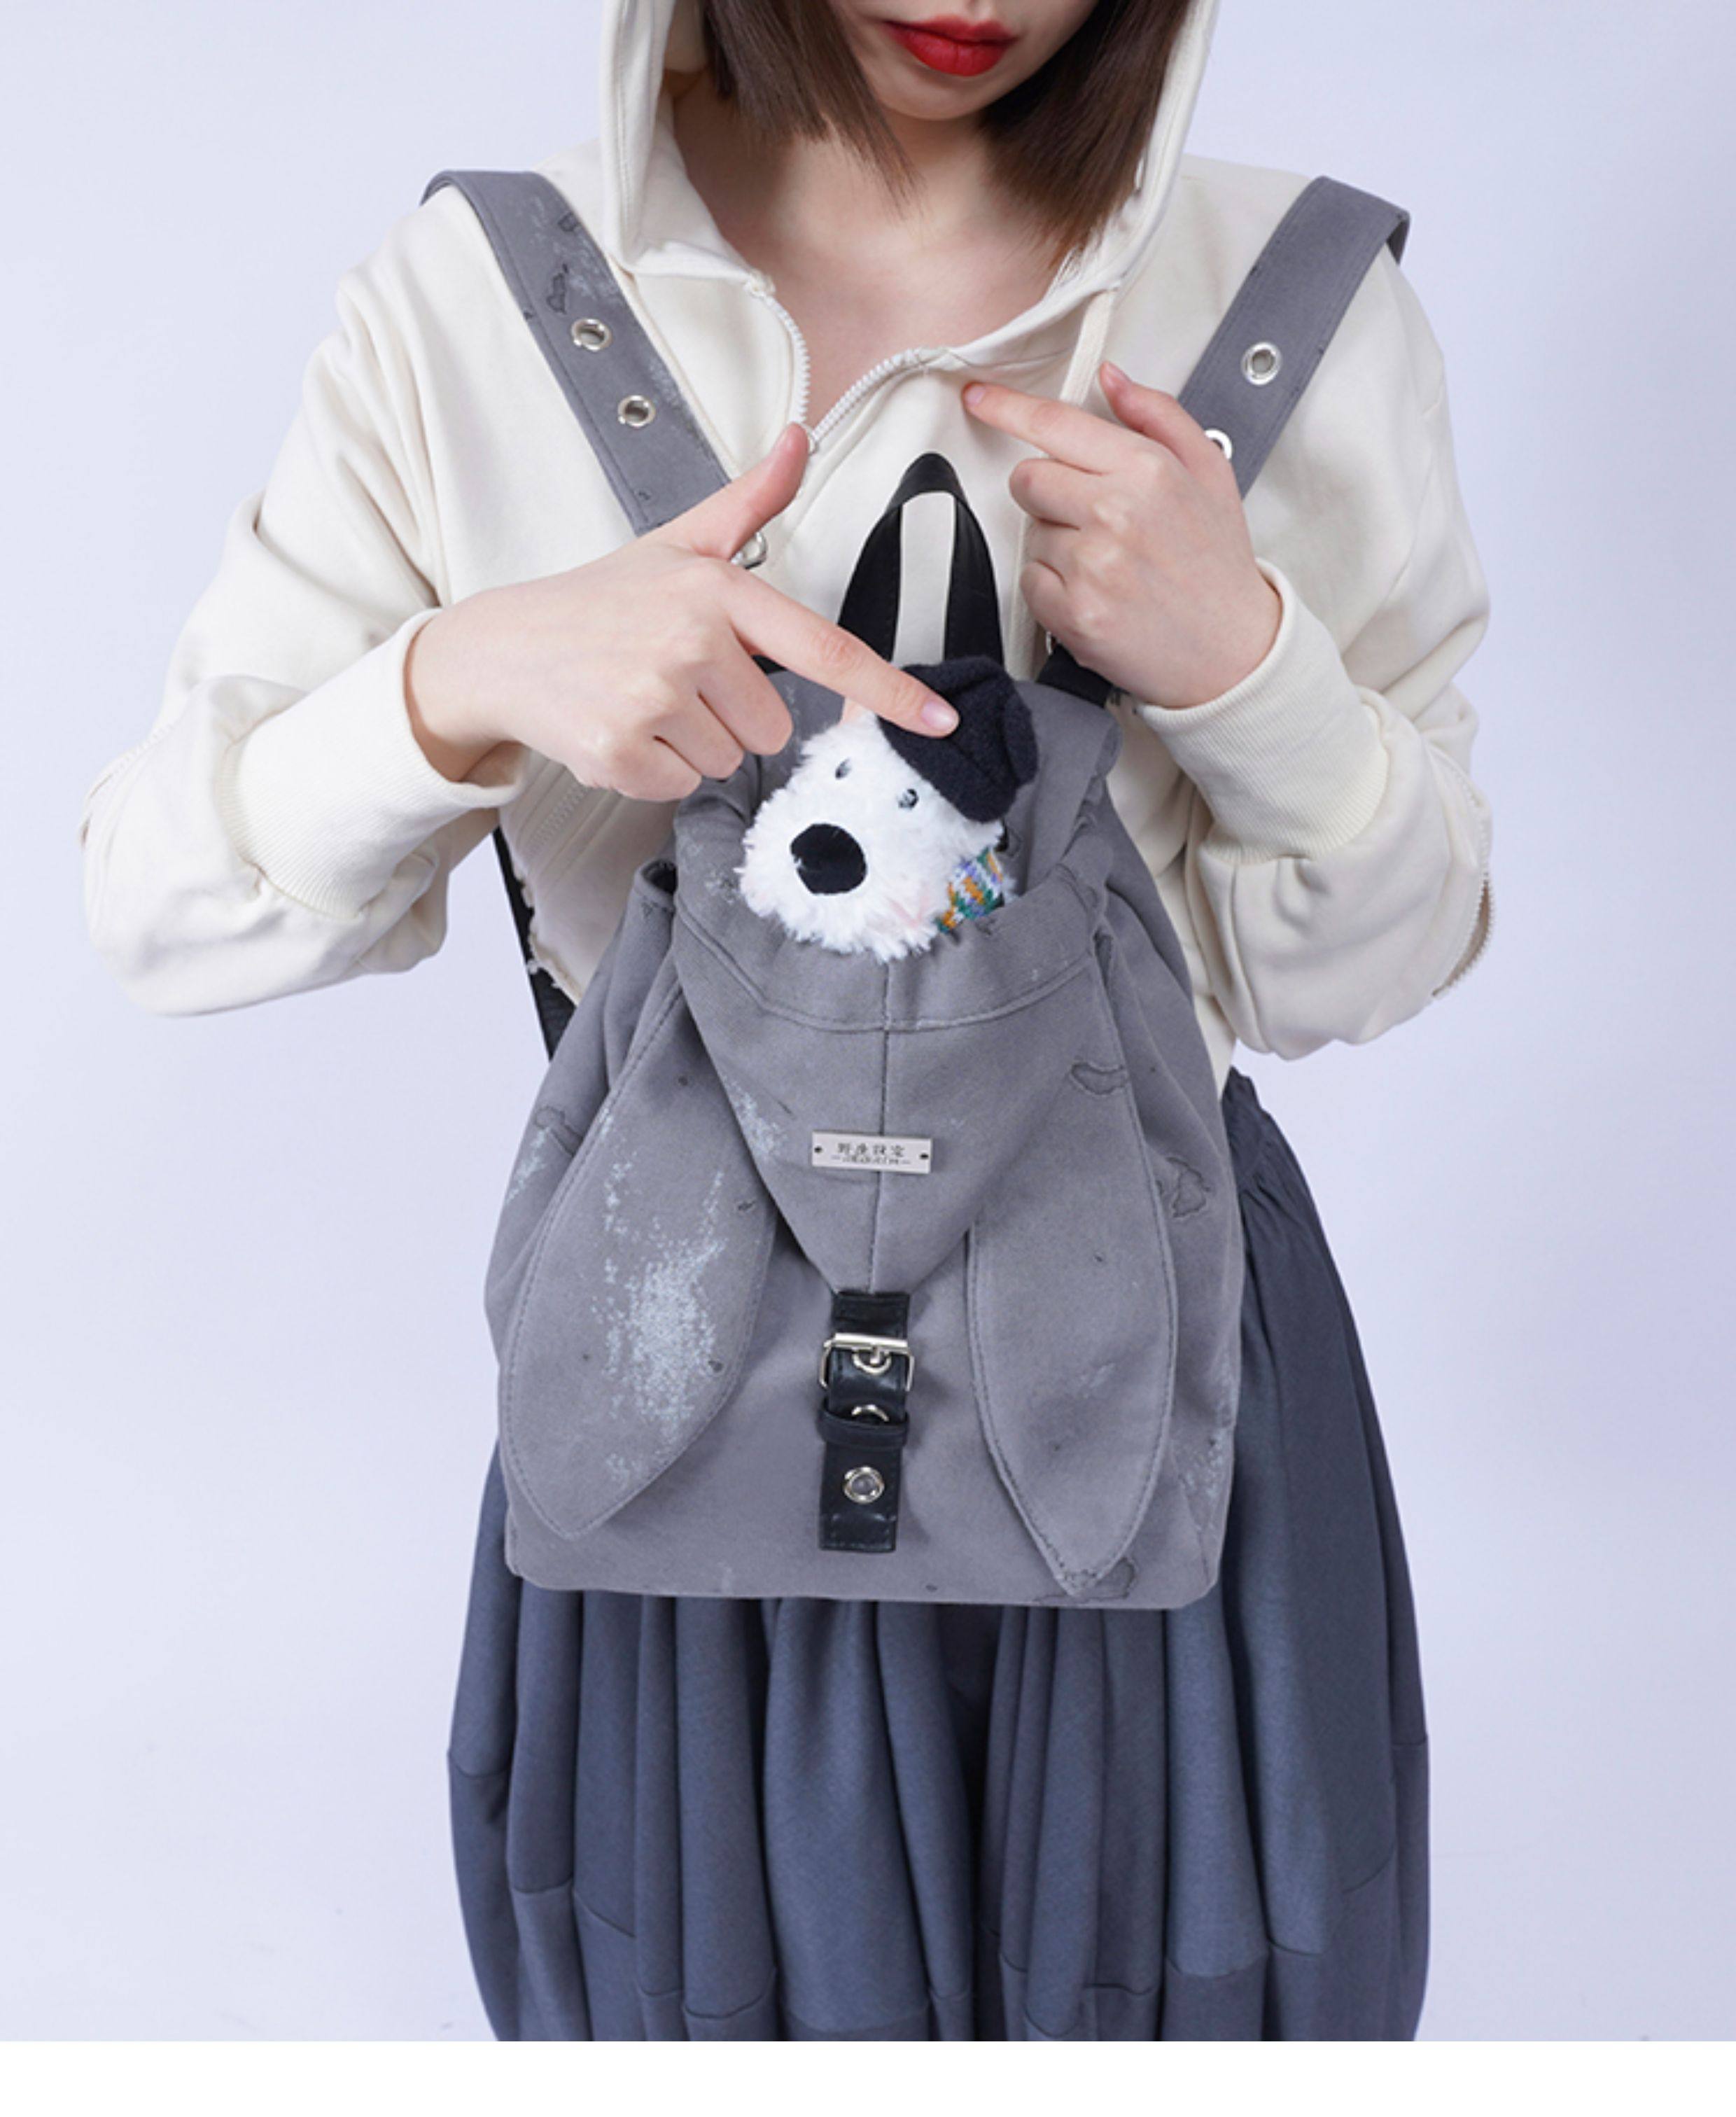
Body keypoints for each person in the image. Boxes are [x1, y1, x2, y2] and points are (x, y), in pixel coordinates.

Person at [78, 0, 1493, 2041]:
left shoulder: (1298, 303)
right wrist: (461, 680)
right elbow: (161, 904)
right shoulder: (474, 302)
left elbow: (1380, 959)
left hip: (1150, 1370)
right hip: (677, 1382)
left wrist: (1247, 668)